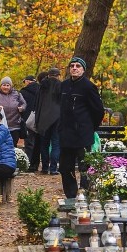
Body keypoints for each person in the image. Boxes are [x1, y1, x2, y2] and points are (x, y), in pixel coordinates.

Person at [58, 57, 104, 197]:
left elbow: (98, 111)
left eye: (78, 66)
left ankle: (85, 192)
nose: (74, 68)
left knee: (85, 166)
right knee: (66, 168)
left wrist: (89, 126)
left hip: (82, 134)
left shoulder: (88, 86)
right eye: (72, 65)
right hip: (66, 134)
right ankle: (71, 195)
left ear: (83, 69)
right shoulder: (64, 85)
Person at [34, 68, 61, 175]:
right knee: (56, 144)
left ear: (48, 75)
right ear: (58, 75)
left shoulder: (42, 86)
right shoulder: (61, 85)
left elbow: (37, 103)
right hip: (57, 118)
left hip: (43, 119)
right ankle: (53, 168)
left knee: (44, 144)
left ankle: (45, 167)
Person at [0, 77, 26, 147]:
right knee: (1, 146)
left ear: (11, 86)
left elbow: (24, 103)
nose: (6, 87)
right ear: (0, 86)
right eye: (4, 85)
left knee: (12, 146)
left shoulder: (17, 94)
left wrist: (22, 108)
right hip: (0, 126)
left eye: (8, 85)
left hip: (15, 126)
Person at [19, 75, 40, 171]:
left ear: (28, 81)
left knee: (29, 143)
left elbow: (21, 106)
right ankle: (36, 164)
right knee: (38, 143)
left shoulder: (23, 92)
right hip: (40, 119)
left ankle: (28, 164)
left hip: (28, 120)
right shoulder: (41, 90)